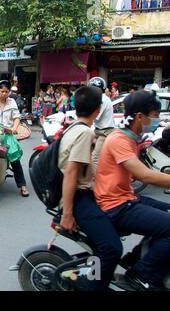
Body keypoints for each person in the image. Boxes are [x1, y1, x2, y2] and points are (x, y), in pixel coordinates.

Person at [94, 90, 170, 291]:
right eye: (154, 115)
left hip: (127, 197)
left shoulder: (131, 137)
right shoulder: (119, 139)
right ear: (139, 116)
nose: (157, 119)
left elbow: (140, 173)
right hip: (116, 205)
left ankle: (133, 259)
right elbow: (144, 175)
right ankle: (140, 275)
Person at [58, 86, 122, 291]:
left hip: (84, 194)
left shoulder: (74, 127)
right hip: (79, 197)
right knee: (111, 248)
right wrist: (67, 213)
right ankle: (90, 285)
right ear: (98, 109)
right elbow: (71, 173)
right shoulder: (84, 133)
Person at [89, 77, 115, 173]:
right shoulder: (99, 98)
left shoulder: (102, 100)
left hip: (105, 132)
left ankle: (96, 183)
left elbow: (95, 116)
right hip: (99, 130)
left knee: (95, 158)